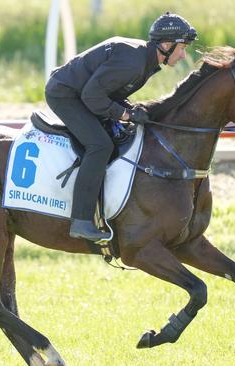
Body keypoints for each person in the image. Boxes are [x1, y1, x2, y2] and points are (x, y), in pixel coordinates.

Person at [44, 12, 197, 241]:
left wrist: (133, 110)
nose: (184, 55)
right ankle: (81, 220)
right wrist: (125, 114)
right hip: (65, 95)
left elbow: (109, 93)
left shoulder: (144, 60)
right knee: (100, 145)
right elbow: (92, 97)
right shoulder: (134, 63)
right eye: (182, 48)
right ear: (166, 45)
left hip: (81, 93)